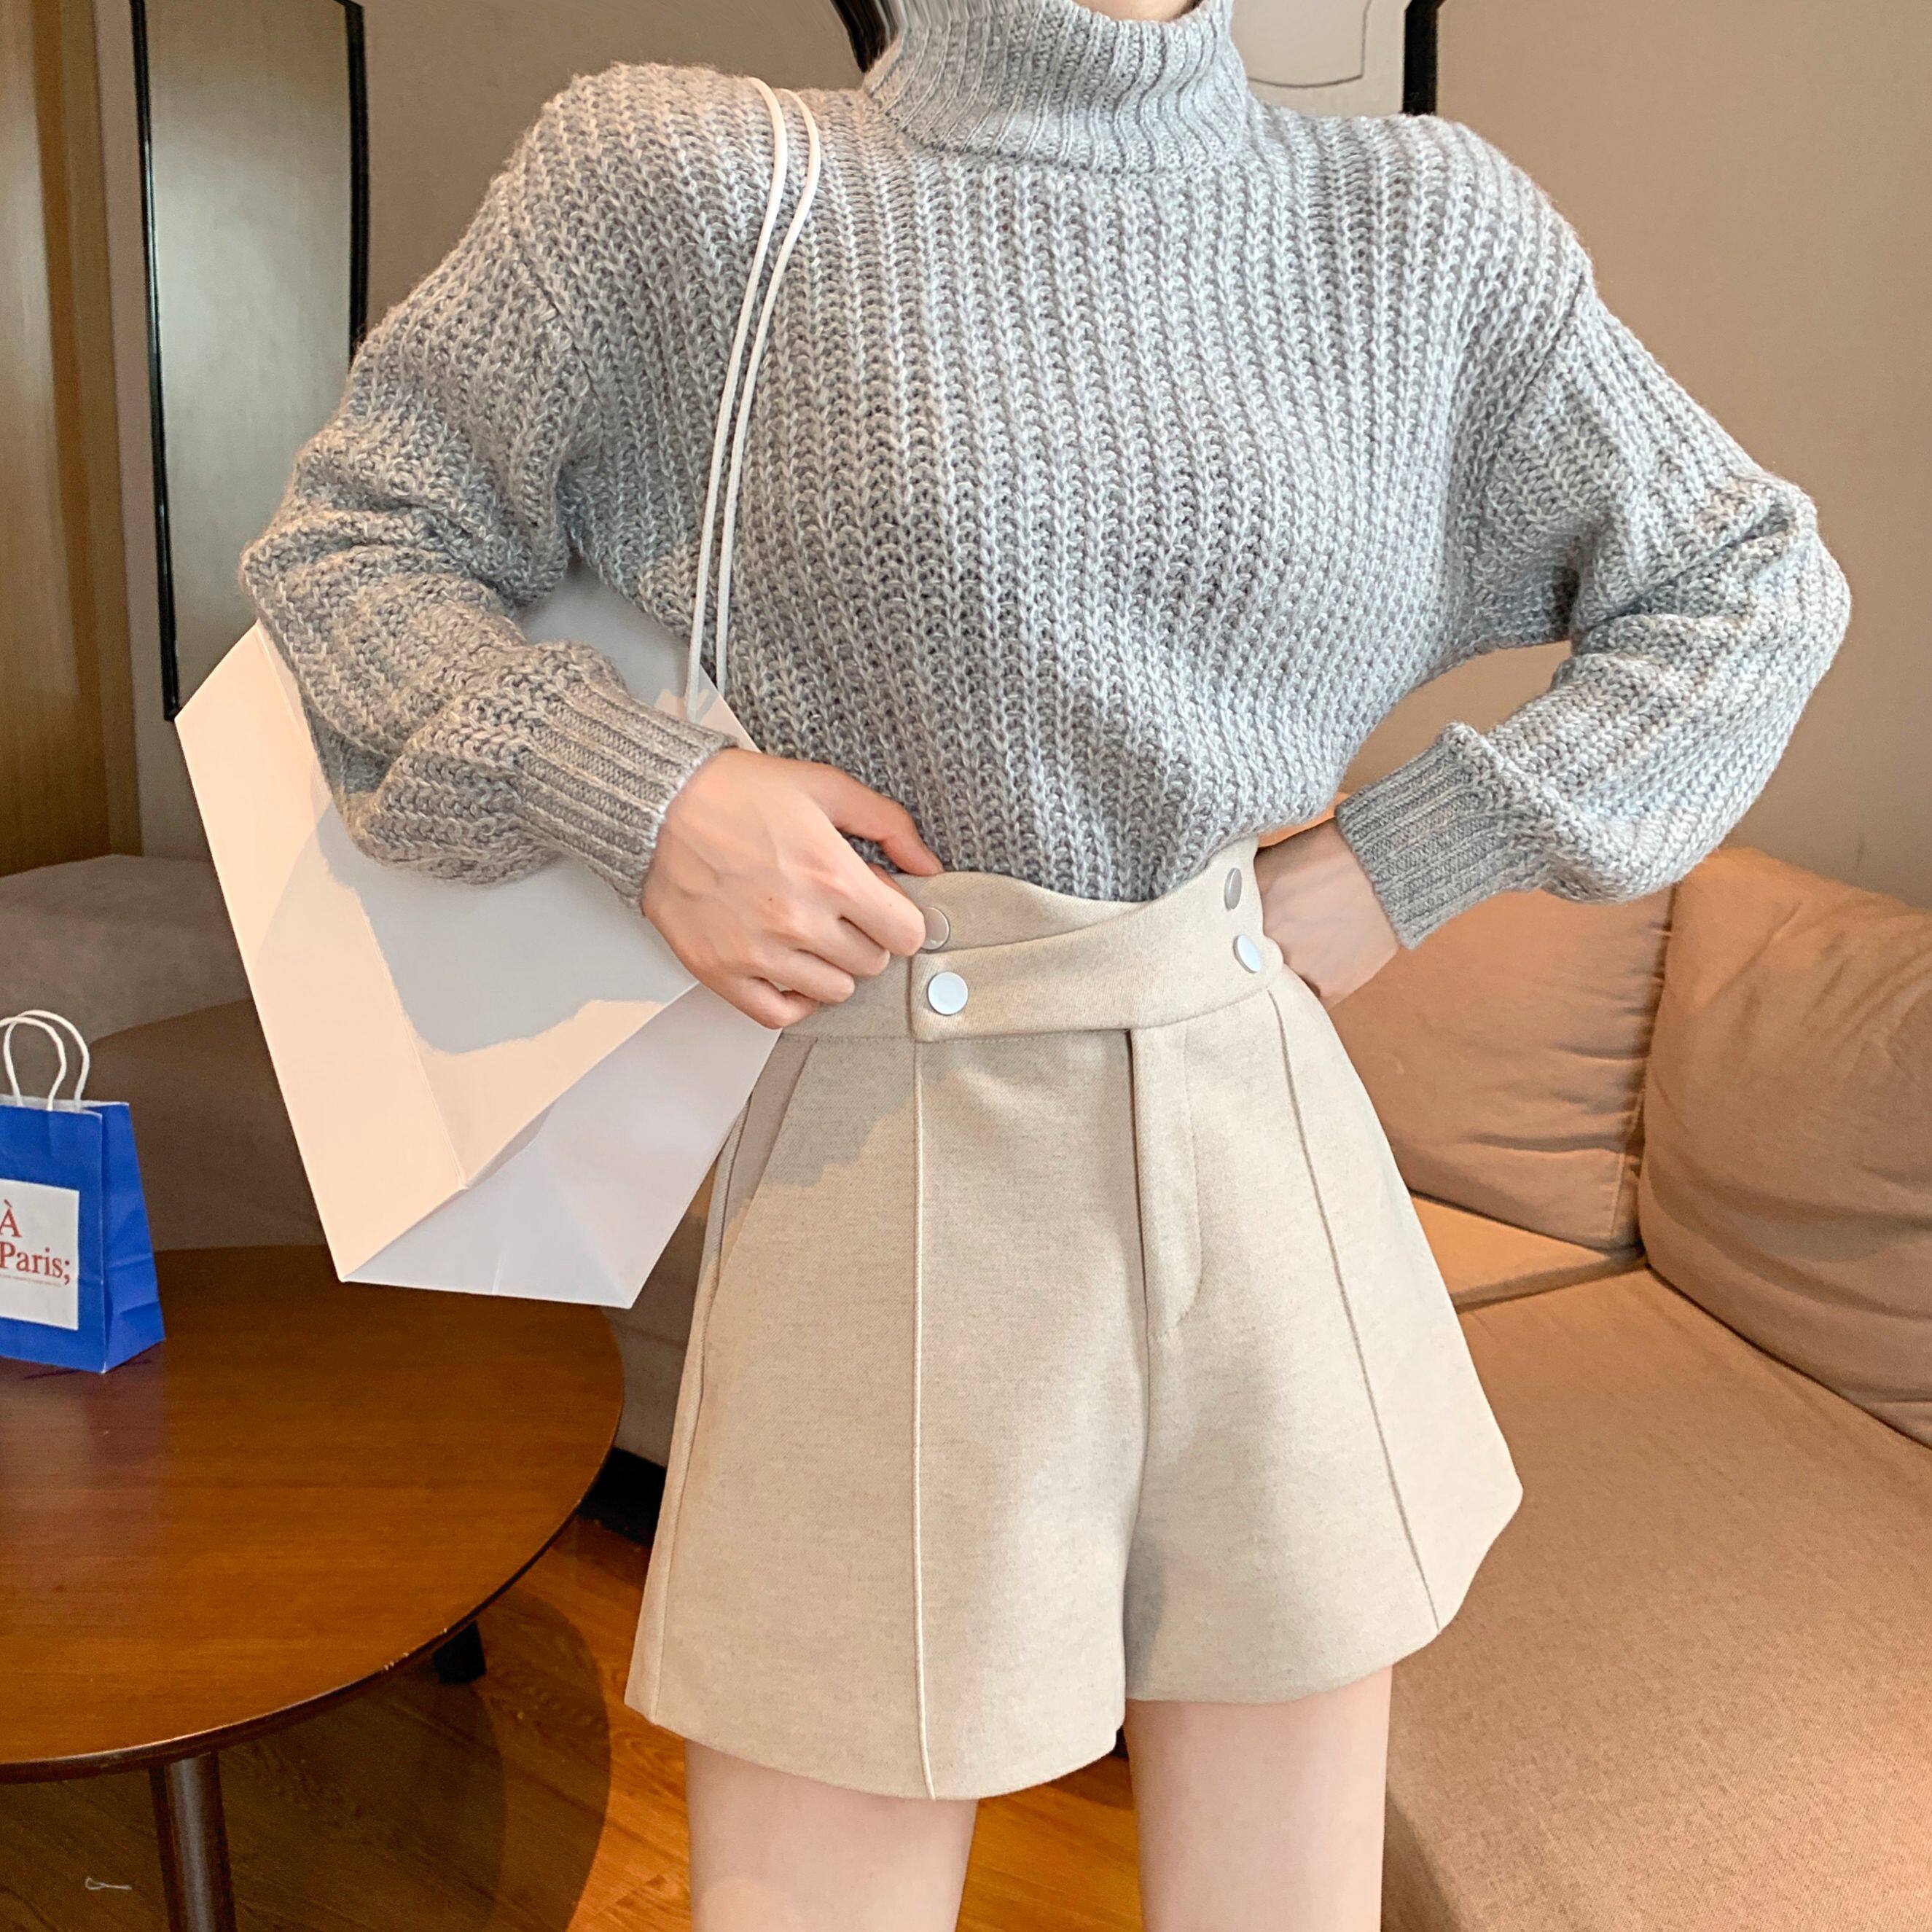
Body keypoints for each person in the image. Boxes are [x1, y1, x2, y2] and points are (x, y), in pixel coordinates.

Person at [235, 0, 1852, 1924]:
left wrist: (1401, 863)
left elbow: (1749, 583)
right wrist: (647, 800)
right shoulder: (688, 180)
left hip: (1258, 1139)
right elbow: (354, 544)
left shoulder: (1418, 226)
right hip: (885, 1147)